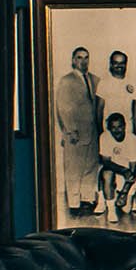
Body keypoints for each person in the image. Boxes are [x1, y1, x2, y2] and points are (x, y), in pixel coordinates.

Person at [53, 46, 101, 215]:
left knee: (90, 168)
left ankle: (87, 200)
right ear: (73, 60)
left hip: (92, 132)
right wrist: (70, 130)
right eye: (79, 57)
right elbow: (63, 107)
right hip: (76, 133)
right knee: (74, 169)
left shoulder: (94, 79)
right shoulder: (67, 80)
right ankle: (74, 205)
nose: (83, 61)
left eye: (86, 57)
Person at [97, 112, 136, 222]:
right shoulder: (104, 137)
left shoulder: (133, 139)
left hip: (127, 176)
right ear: (109, 129)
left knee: (126, 210)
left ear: (125, 126)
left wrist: (124, 193)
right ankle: (110, 208)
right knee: (106, 173)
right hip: (114, 171)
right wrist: (123, 170)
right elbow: (106, 162)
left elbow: (133, 170)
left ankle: (118, 195)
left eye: (120, 127)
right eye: (113, 128)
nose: (117, 131)